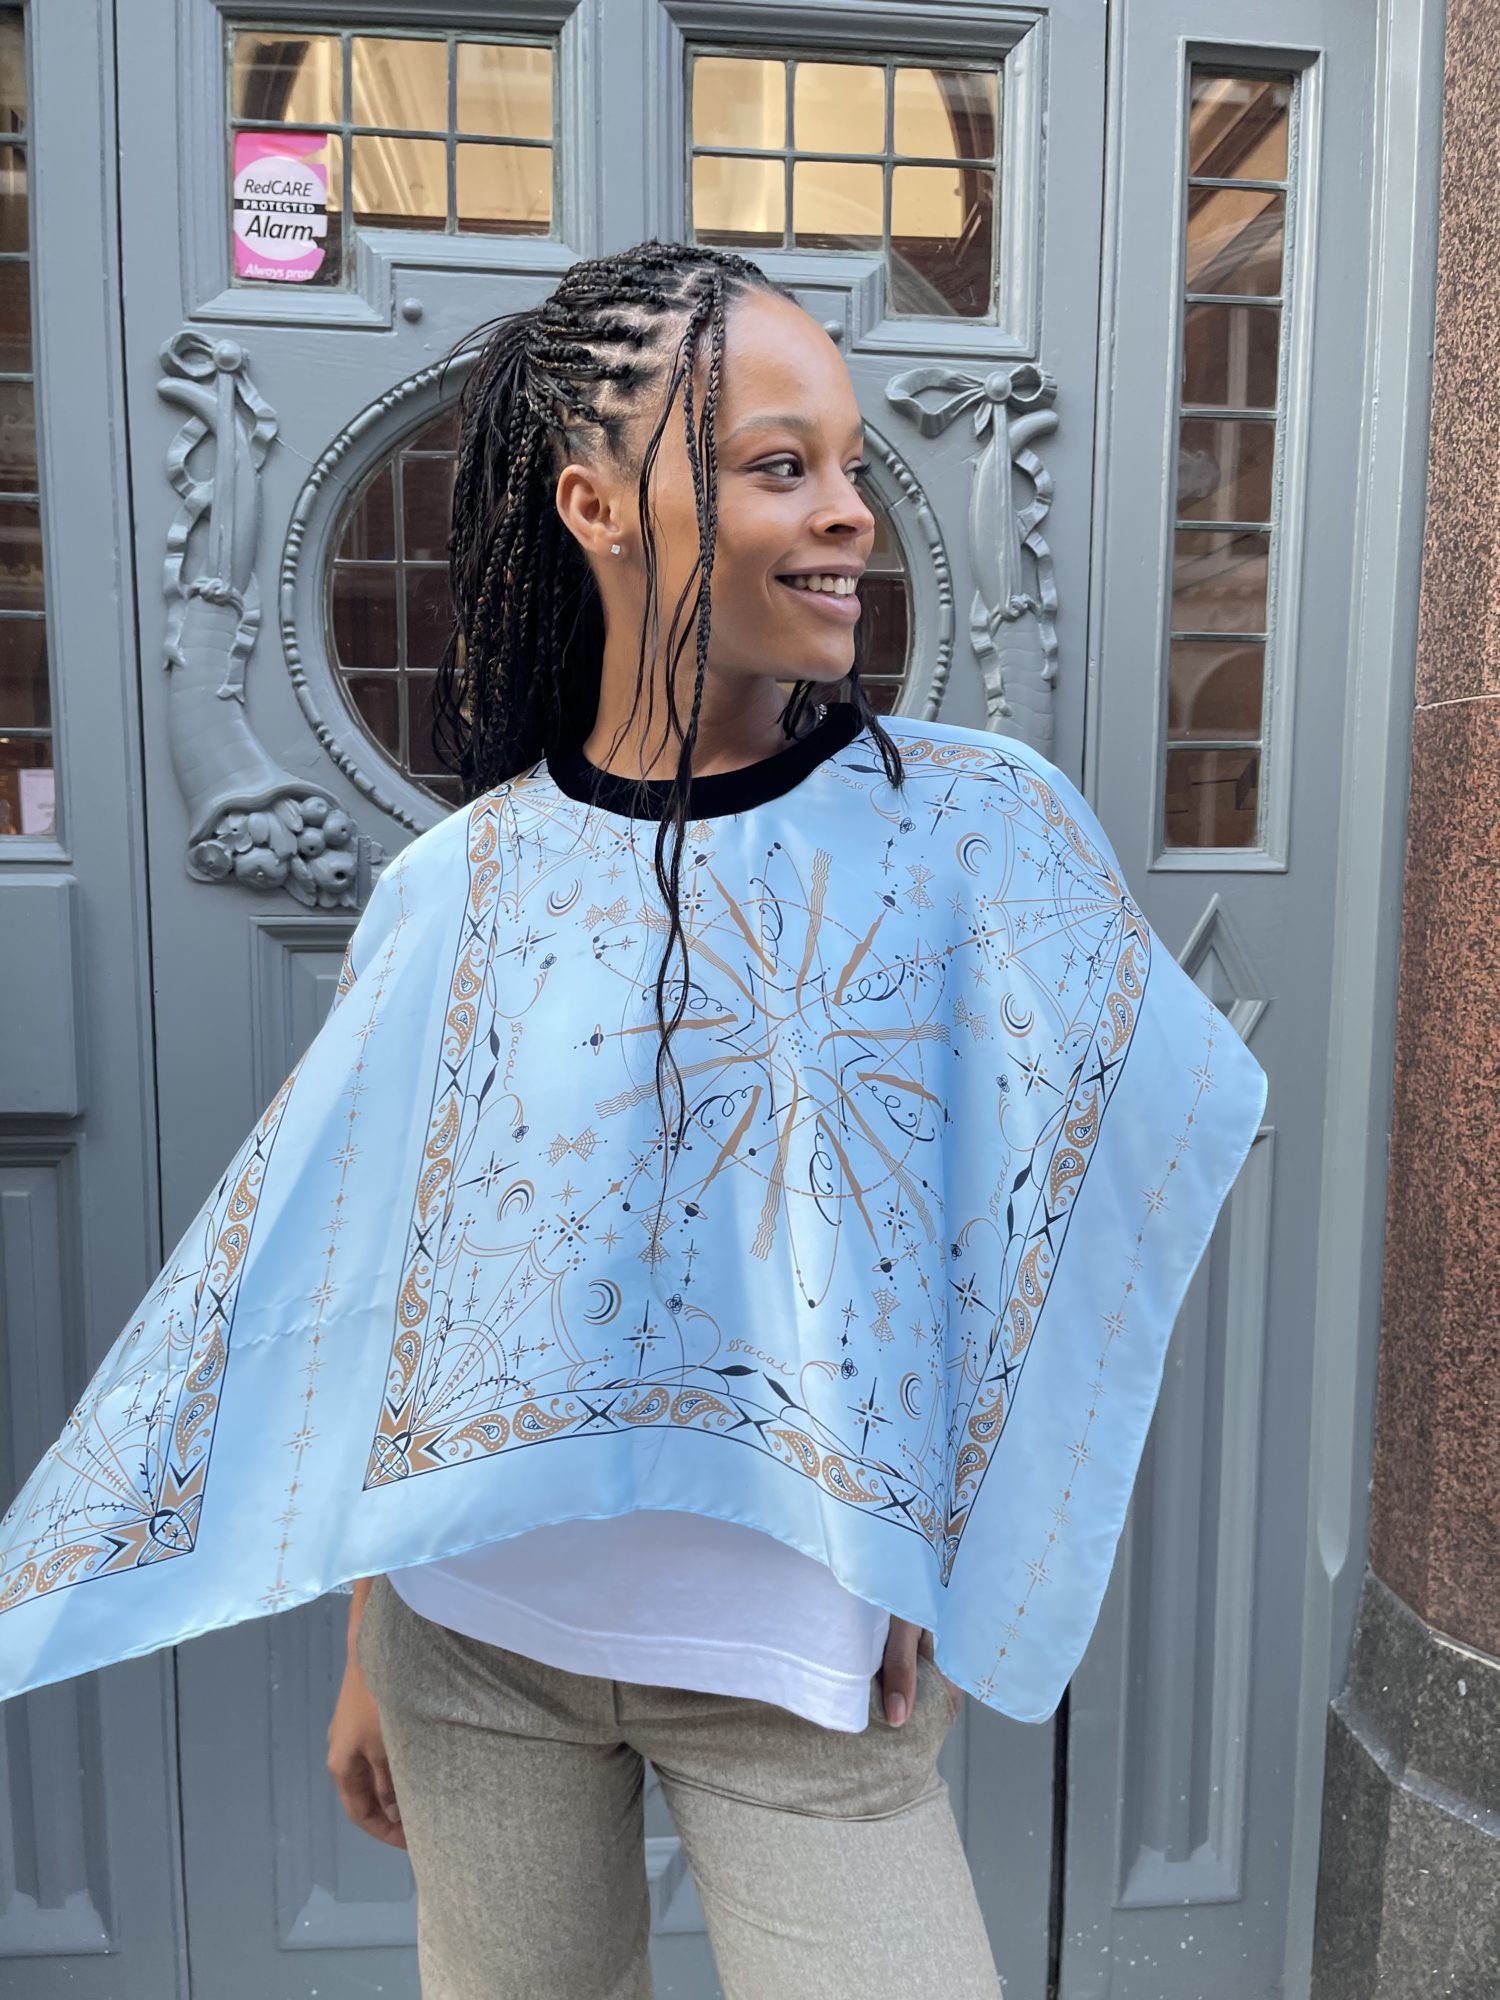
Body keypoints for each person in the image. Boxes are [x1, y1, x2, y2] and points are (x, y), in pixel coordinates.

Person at [0, 240, 1266, 1998]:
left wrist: (939, 1542)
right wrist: (371, 1639)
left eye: (848, 463)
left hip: (803, 1668)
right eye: (778, 465)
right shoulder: (462, 887)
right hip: (473, 1648)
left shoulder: (976, 837)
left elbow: (1075, 1190)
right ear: (595, 506)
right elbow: (400, 1291)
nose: (850, 514)